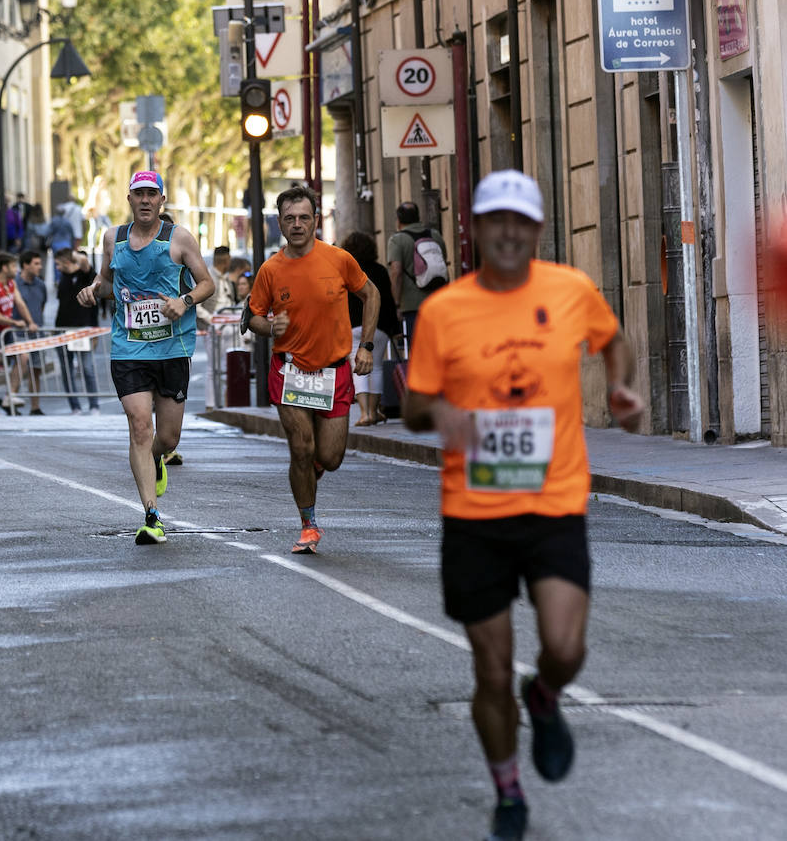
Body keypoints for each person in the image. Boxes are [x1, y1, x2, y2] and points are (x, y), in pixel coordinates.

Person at [403, 170, 644, 841]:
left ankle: (546, 695)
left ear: (536, 230)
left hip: (554, 502)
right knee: (490, 668)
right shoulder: (446, 310)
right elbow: (416, 401)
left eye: (521, 221)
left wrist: (622, 388)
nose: (508, 231)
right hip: (473, 512)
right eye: (495, 220)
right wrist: (444, 412)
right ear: (476, 229)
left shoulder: (570, 291)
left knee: (565, 647)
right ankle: (508, 791)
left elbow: (613, 340)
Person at [77, 171, 214, 544]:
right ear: (130, 199)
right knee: (140, 425)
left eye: (152, 194)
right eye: (139, 194)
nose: (145, 200)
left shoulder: (179, 238)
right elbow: (107, 284)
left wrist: (183, 301)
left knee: (167, 438)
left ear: (161, 201)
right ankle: (152, 516)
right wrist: (92, 291)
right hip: (128, 347)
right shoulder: (113, 239)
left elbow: (207, 284)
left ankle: (157, 457)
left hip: (172, 348)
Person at [247, 187, 380, 554]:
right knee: (301, 448)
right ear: (280, 222)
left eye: (304, 217)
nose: (297, 224)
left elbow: (371, 295)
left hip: (334, 372)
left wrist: (366, 345)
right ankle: (308, 524)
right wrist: (268, 326)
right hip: (290, 371)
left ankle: (312, 470)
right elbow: (253, 317)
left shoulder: (338, 259)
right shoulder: (270, 270)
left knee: (331, 458)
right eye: (289, 218)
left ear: (316, 221)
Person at [341, 230, 401, 426]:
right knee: (376, 367)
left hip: (353, 325)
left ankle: (365, 412)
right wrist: (394, 326)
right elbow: (389, 302)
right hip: (379, 327)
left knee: (357, 367)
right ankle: (375, 412)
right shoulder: (381, 270)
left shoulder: (345, 271)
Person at [0, 252, 34, 417]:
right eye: (13, 266)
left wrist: (30, 322)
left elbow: (20, 303)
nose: (16, 270)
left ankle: (10, 395)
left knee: (23, 357)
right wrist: (15, 323)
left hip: (5, 331)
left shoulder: (11, 284)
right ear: (4, 267)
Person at [387, 201, 448, 346]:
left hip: (411, 305)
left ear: (399, 220)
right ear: (418, 217)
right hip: (437, 300)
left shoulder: (397, 240)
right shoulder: (435, 235)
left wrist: (395, 304)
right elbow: (443, 261)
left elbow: (396, 272)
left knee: (417, 350)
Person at [54, 248, 102, 415]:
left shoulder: (85, 275)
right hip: (62, 329)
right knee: (67, 370)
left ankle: (94, 405)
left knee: (87, 368)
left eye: (59, 264)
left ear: (67, 262)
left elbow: (84, 262)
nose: (57, 268)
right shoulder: (63, 278)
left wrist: (70, 254)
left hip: (83, 330)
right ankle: (75, 406)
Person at [14, 250, 48, 415]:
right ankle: (11, 398)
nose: (40, 267)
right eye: (36, 263)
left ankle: (35, 406)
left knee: (36, 369)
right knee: (22, 362)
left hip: (38, 333)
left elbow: (42, 305)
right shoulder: (14, 284)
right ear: (25, 265)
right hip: (18, 333)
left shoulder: (40, 284)